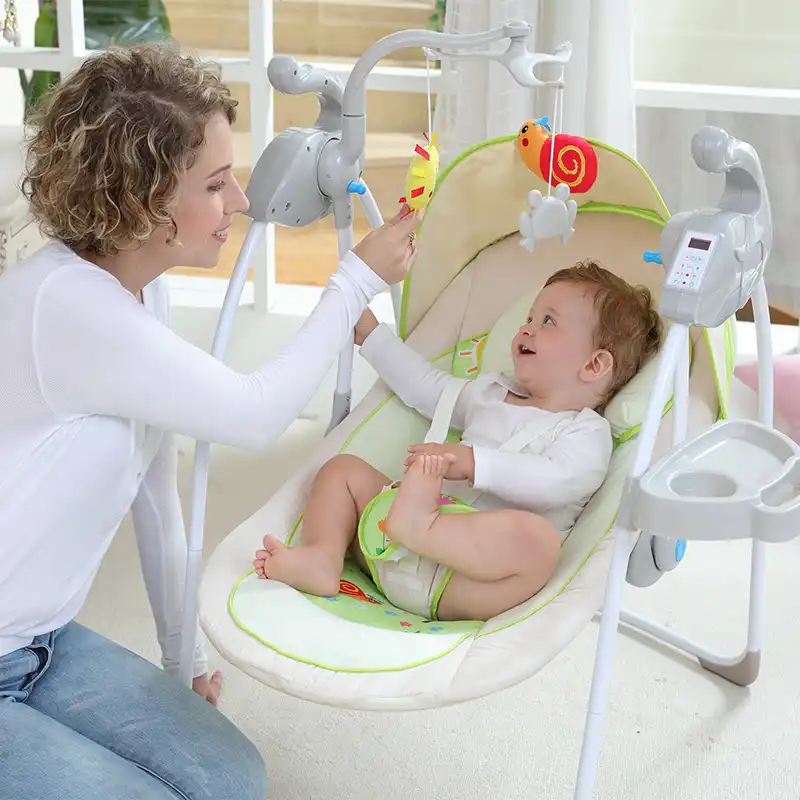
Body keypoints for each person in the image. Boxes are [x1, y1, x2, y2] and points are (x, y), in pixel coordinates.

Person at [0, 43, 419, 799]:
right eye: (216, 184)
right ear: (144, 200)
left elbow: (156, 495)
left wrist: (181, 658)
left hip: (44, 643)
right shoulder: (64, 306)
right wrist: (354, 281)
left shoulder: (136, 291)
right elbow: (255, 416)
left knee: (232, 780)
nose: (241, 204)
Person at [253, 262, 661, 622]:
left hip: (466, 581)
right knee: (341, 471)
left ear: (594, 365)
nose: (526, 327)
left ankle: (421, 527)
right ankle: (324, 557)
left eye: (548, 322)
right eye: (531, 317)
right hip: (387, 543)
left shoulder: (586, 433)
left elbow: (554, 481)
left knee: (538, 545)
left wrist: (474, 463)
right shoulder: (490, 393)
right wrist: (373, 337)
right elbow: (428, 388)